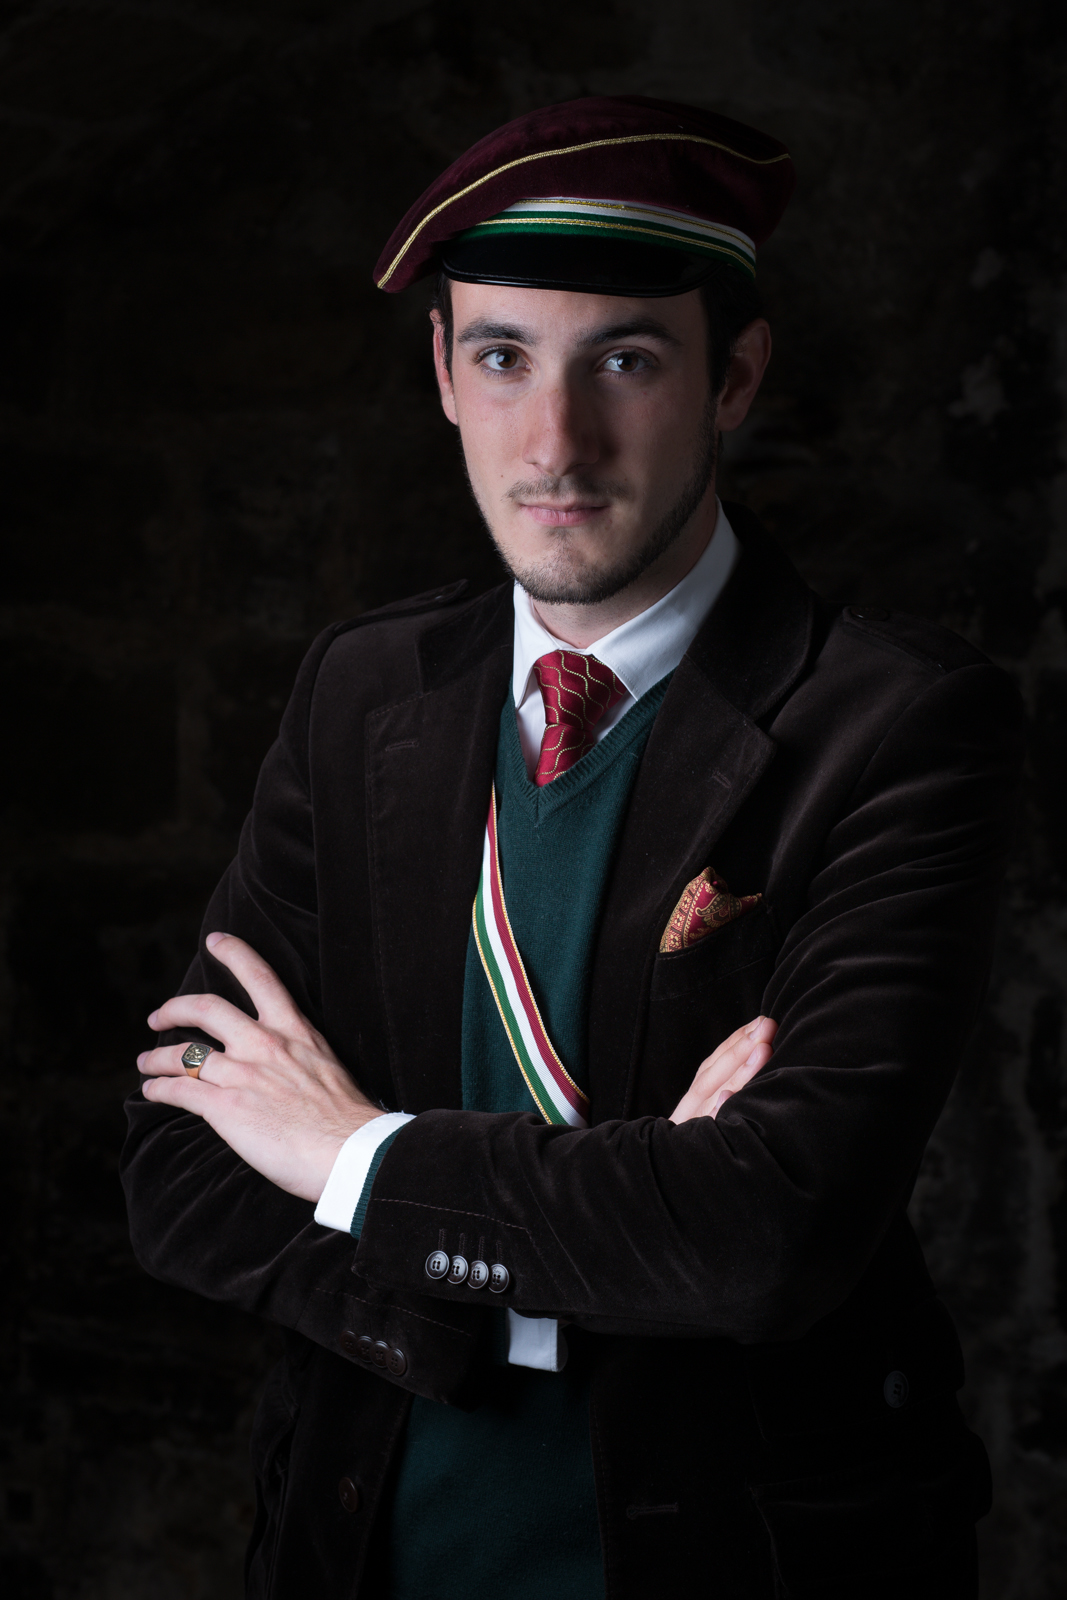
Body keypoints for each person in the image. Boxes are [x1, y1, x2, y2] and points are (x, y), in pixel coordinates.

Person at [121, 95, 1023, 1599]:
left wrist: (350, 1155)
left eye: (625, 360)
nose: (555, 442)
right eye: (503, 358)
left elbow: (769, 1234)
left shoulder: (897, 726)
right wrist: (620, 1223)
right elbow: (180, 1162)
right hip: (363, 1547)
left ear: (736, 376)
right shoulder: (362, 693)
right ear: (442, 374)